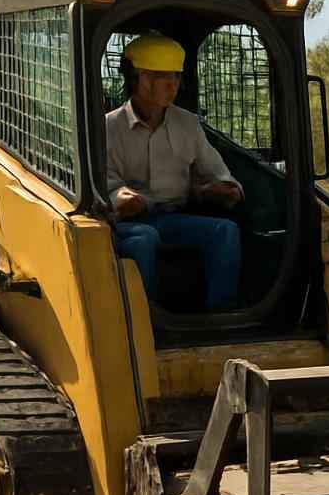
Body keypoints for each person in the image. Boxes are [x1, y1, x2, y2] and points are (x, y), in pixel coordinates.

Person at [105, 34, 245, 311]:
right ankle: (145, 318)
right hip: (126, 224)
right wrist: (119, 198)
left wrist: (221, 190)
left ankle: (220, 316)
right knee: (145, 239)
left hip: (173, 219)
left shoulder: (188, 125)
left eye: (176, 77)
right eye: (162, 77)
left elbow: (222, 178)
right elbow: (108, 187)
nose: (173, 85)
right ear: (140, 78)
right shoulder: (109, 128)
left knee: (226, 231)